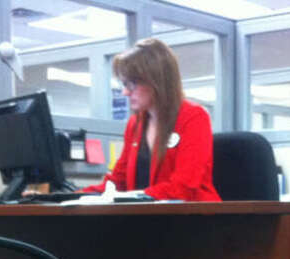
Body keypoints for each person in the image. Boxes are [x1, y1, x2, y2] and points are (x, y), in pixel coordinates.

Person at [81, 38, 220, 202]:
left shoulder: (193, 117)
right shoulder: (135, 124)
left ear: (156, 81)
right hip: (146, 217)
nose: (125, 92)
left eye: (131, 84)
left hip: (191, 220)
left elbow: (183, 188)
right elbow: (118, 181)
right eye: (123, 84)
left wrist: (133, 197)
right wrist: (70, 195)